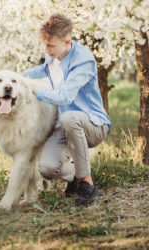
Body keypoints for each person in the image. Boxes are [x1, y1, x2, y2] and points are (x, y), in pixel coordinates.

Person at [23, 14, 111, 206]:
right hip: (65, 125)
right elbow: (44, 70)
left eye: (51, 46)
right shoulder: (53, 53)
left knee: (70, 117)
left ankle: (87, 185)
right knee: (46, 169)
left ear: (67, 41)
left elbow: (64, 97)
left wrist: (36, 90)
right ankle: (74, 179)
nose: (46, 50)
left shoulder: (83, 61)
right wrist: (16, 78)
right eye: (44, 45)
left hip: (93, 124)